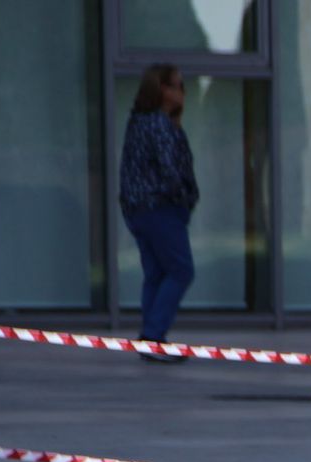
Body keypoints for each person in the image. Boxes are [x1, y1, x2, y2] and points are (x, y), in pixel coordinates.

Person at [118, 63, 199, 361]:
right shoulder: (159, 125)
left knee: (156, 274)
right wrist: (184, 199)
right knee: (180, 271)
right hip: (160, 209)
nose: (183, 92)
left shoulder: (138, 121)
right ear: (163, 90)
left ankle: (151, 339)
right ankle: (152, 336)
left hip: (137, 209)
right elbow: (171, 171)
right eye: (178, 85)